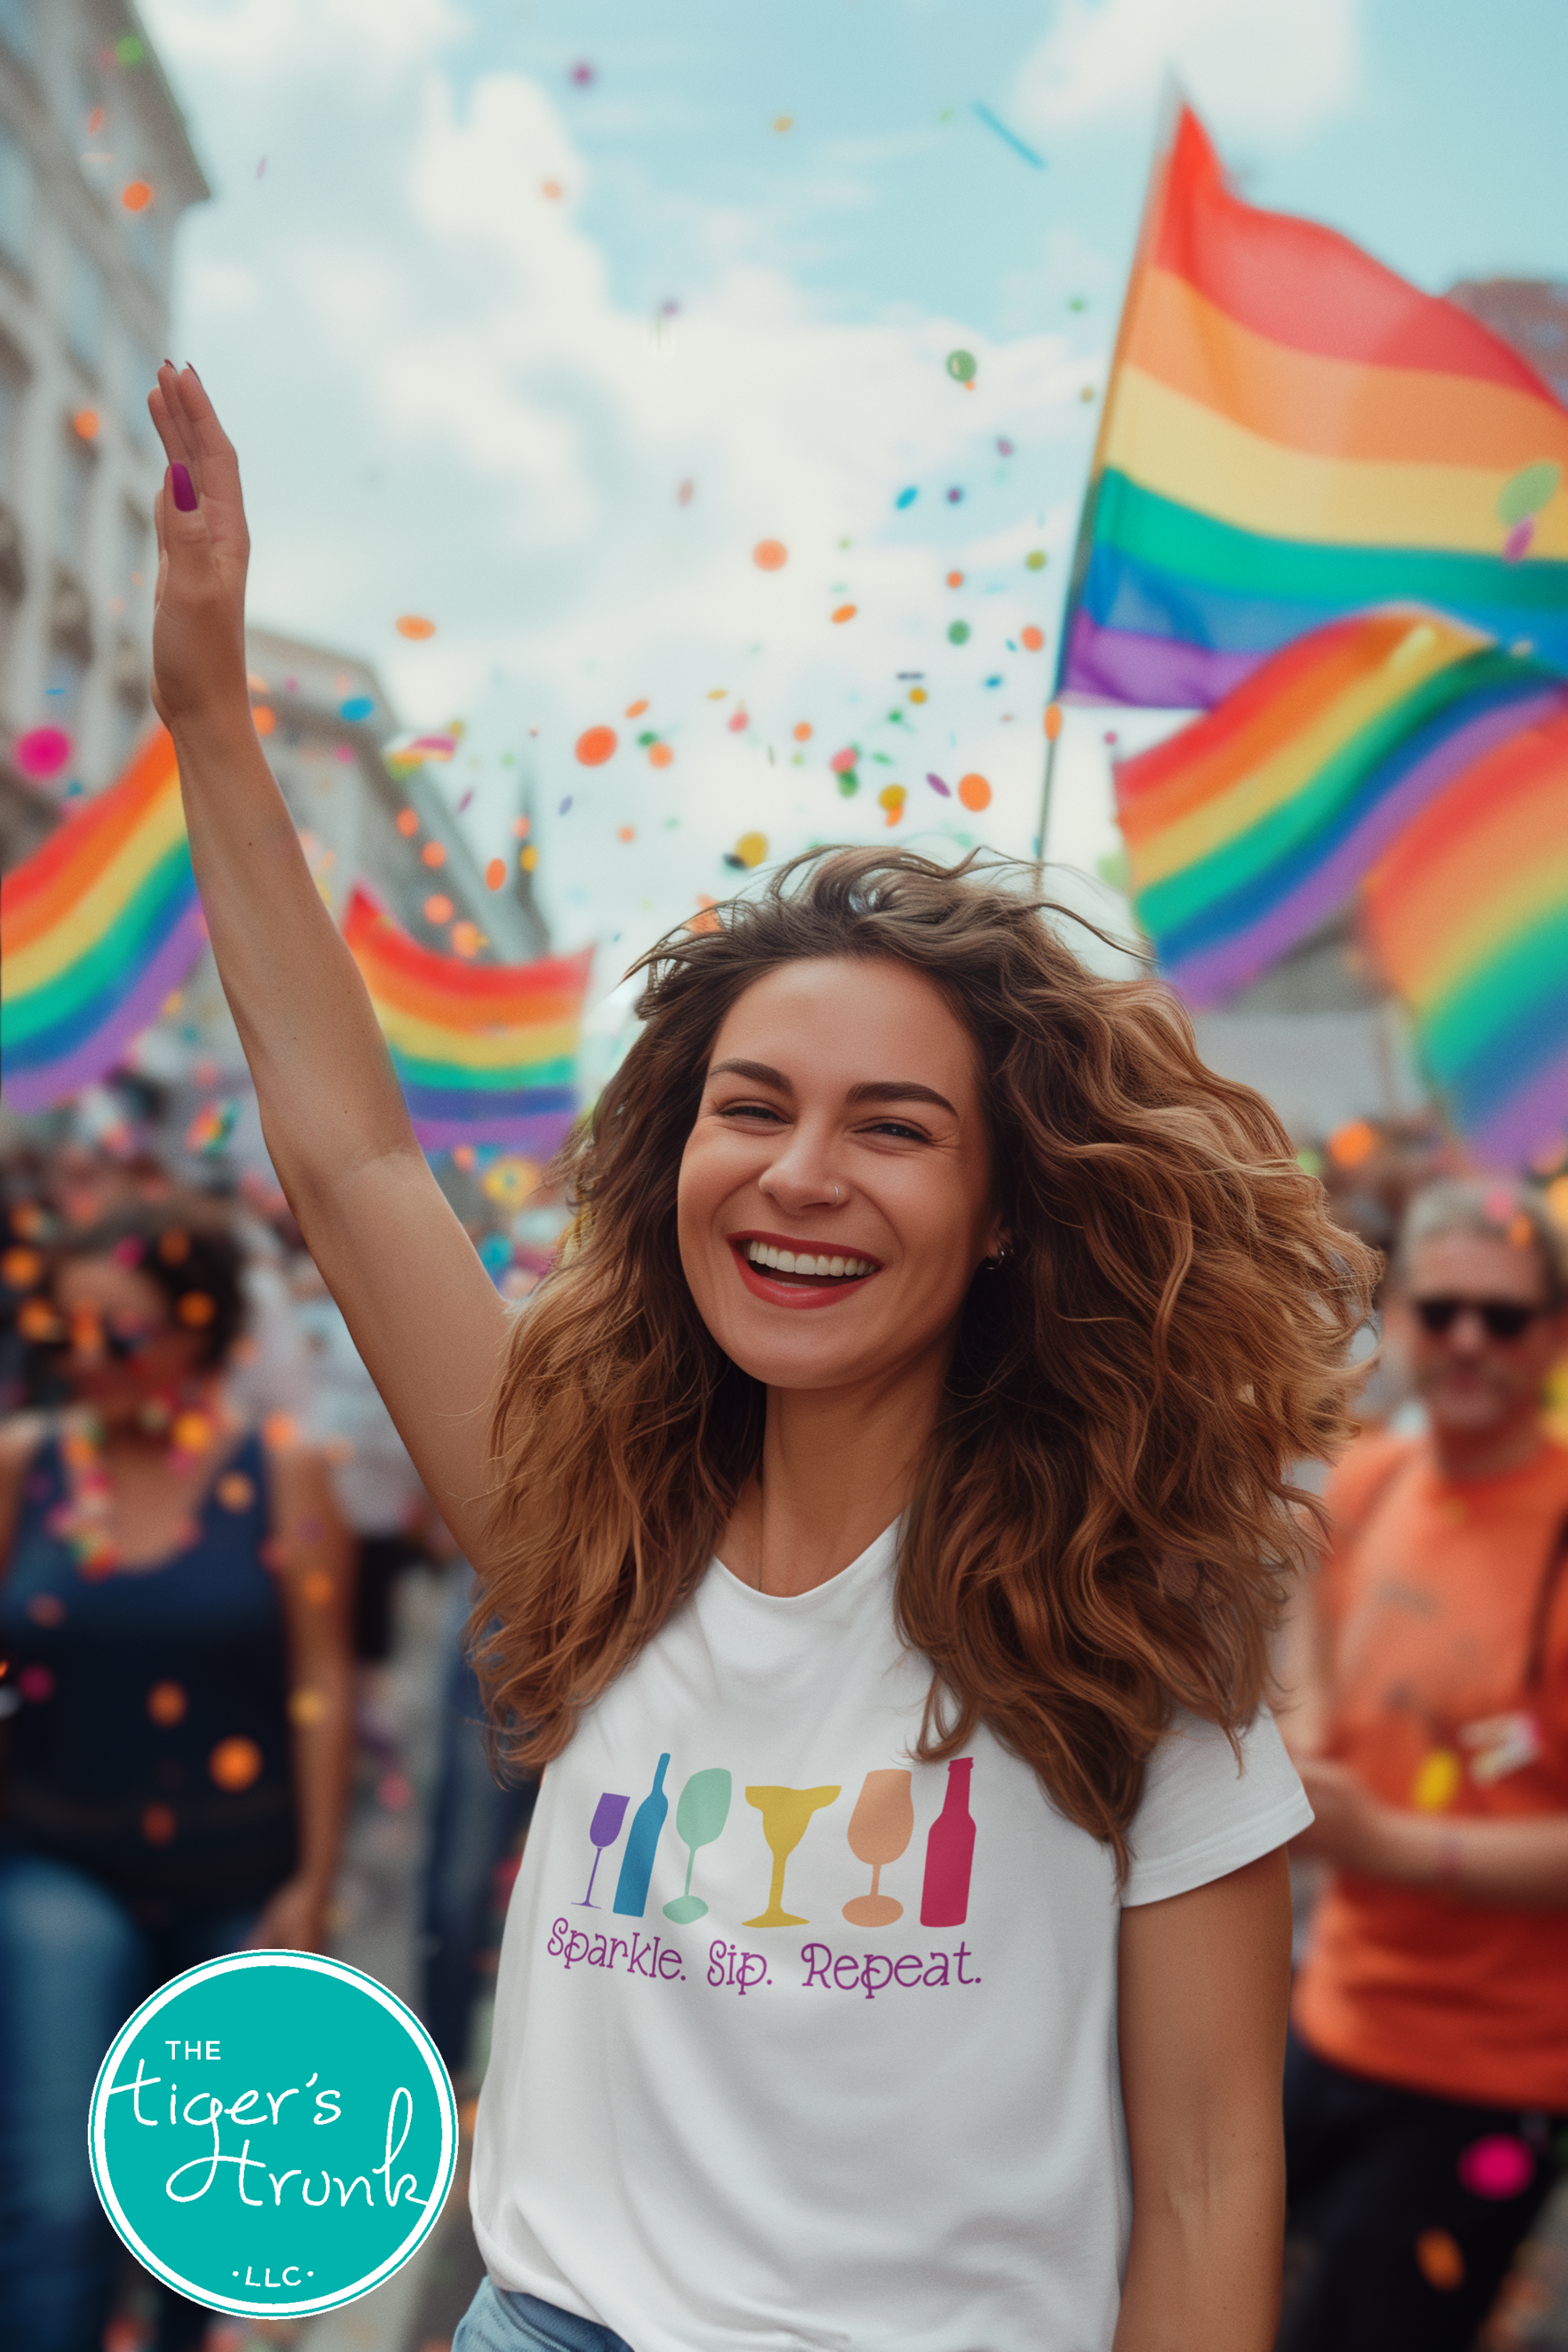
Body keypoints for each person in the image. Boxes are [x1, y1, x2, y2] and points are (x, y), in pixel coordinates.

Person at [142, 360, 1378, 2352]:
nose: (799, 1177)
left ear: (1002, 1208)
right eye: (750, 1106)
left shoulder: (1130, 1617)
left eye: (892, 1126)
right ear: (674, 1150)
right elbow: (355, 1149)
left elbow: (1215, 2176)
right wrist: (208, 703)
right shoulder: (587, 1517)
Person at [0, 1197, 355, 2352]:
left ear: (200, 1333)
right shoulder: (24, 1467)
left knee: (200, 2218)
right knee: (54, 2202)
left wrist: (309, 1886)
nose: (88, 1357)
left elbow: (320, 1681)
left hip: (236, 1878)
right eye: (68, 1328)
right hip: (60, 1866)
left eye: (124, 1330)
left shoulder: (283, 1473)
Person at [1280, 1177, 1568, 2351]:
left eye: (1499, 1317)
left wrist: (1390, 1843)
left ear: (1549, 1335)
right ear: (1397, 1318)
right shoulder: (1376, 1478)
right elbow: (1308, 1588)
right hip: (1327, 2011)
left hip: (1491, 2075)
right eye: (1437, 1308)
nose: (1462, 1340)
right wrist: (1306, 1723)